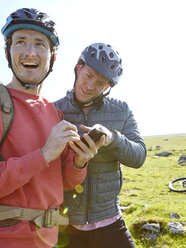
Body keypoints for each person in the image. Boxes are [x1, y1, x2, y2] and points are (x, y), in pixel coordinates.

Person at [0, 8, 104, 248]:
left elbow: (62, 182)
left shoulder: (54, 112)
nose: (30, 51)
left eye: (40, 44)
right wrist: (42, 156)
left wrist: (80, 161)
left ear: (52, 57)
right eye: (21, 41)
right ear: (7, 52)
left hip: (49, 241)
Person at [53, 43, 147, 248]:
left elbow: (139, 156)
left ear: (107, 87)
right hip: (67, 224)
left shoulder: (121, 110)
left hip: (110, 220)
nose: (89, 86)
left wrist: (112, 138)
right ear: (78, 69)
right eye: (88, 76)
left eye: (100, 83)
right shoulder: (53, 111)